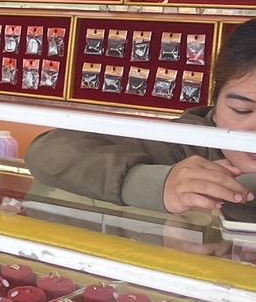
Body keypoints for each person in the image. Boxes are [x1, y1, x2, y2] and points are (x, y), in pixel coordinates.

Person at [26, 19, 256, 214]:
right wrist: (156, 184)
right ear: (215, 107)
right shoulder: (187, 144)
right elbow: (50, 151)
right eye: (242, 110)